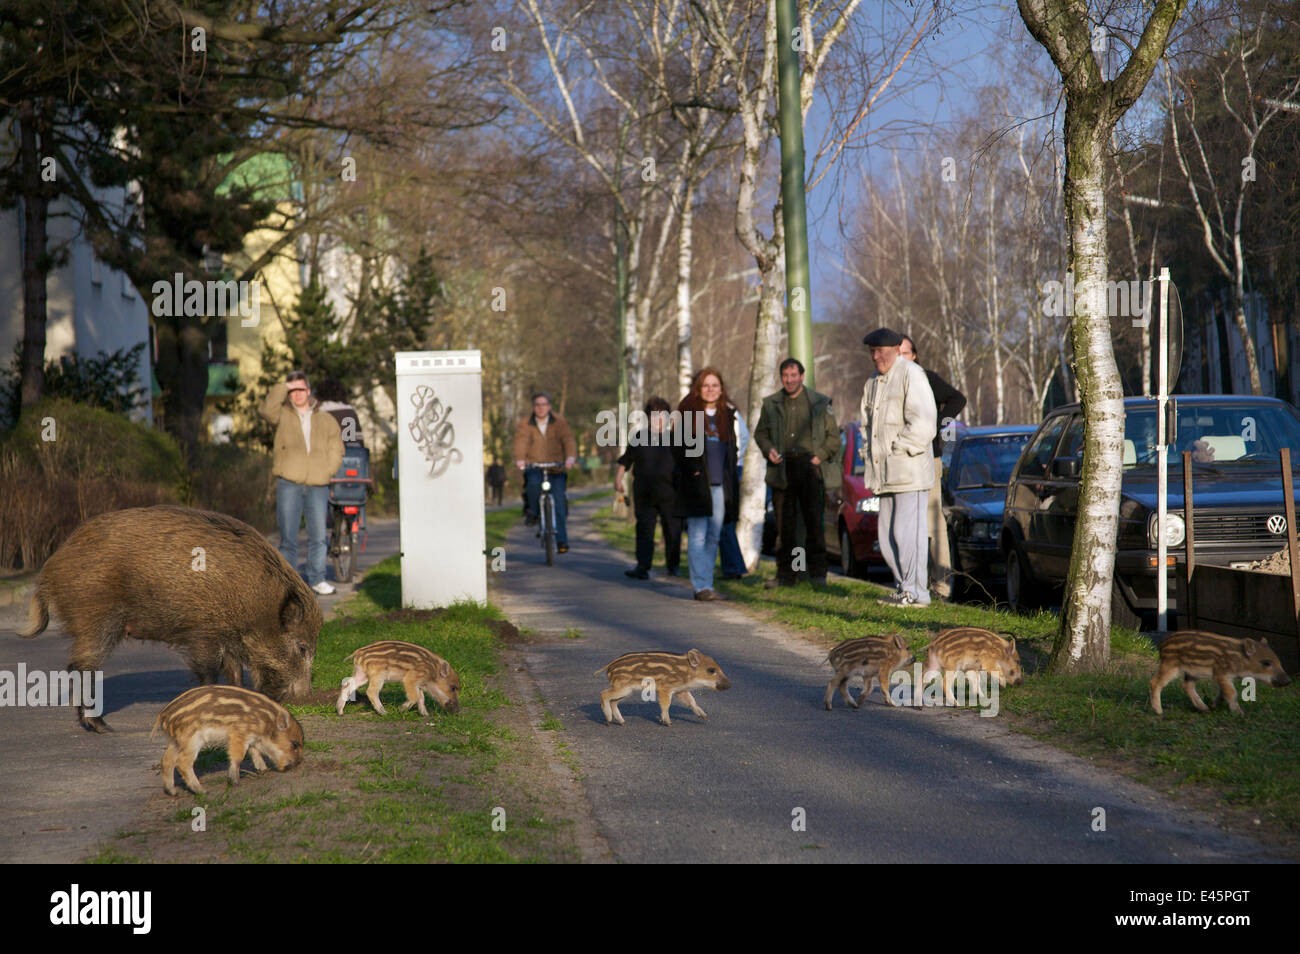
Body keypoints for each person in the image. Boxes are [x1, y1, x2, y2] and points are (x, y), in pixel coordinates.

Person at [859, 328, 937, 607]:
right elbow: (867, 428)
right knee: (888, 534)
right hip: (884, 474)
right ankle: (904, 588)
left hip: (909, 472)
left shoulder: (911, 374)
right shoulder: (873, 382)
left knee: (908, 534)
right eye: (872, 352)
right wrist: (870, 456)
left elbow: (925, 422)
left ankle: (918, 594)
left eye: (880, 351)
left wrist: (899, 450)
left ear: (895, 348)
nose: (875, 357)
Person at [754, 357, 841, 589]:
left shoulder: (819, 403)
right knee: (786, 528)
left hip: (810, 468)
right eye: (785, 376)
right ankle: (787, 576)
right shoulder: (771, 403)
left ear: (801, 376)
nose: (789, 380)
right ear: (781, 377)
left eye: (794, 375)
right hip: (782, 468)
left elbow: (834, 438)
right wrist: (769, 449)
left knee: (814, 524)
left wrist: (818, 456)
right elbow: (760, 434)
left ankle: (817, 575)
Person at [260, 371, 345, 596]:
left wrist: (329, 469)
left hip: (318, 483)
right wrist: (283, 386)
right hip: (290, 481)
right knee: (288, 536)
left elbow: (337, 445)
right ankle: (289, 583)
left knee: (318, 535)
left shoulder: (325, 418)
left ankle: (317, 579)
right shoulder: (282, 414)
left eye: (300, 389)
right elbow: (266, 412)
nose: (296, 394)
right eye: (292, 390)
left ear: (308, 391)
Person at [899, 336, 967, 600]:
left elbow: (957, 399)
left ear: (915, 355)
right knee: (905, 523)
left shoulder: (926, 378)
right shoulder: (891, 383)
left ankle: (942, 585)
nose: (901, 357)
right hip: (901, 461)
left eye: (905, 352)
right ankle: (912, 583)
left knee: (932, 521)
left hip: (929, 458)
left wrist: (936, 424)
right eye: (897, 353)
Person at [673, 368, 740, 601]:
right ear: (698, 389)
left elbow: (734, 450)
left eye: (715, 385)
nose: (710, 389)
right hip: (696, 485)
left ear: (721, 389)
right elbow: (678, 449)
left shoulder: (728, 415)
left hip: (720, 485)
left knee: (714, 535)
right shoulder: (687, 413)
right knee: (698, 536)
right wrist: (693, 470)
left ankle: (707, 584)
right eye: (706, 385)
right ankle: (700, 586)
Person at [615, 397, 682, 579]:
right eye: (654, 415)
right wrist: (618, 479)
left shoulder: (676, 439)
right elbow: (626, 460)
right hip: (644, 493)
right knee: (644, 530)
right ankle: (642, 567)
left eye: (662, 415)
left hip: (671, 493)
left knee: (673, 530)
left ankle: (673, 566)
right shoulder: (639, 437)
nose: (658, 419)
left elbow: (688, 465)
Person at [513, 392, 577, 553]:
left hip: (556, 467)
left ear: (549, 406)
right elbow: (521, 441)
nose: (540, 408)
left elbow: (568, 440)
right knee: (532, 484)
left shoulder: (559, 422)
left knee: (559, 503)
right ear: (533, 407)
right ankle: (533, 511)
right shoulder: (526, 423)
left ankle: (562, 541)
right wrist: (520, 459)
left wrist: (570, 458)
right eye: (537, 405)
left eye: (544, 404)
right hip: (535, 466)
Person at [717, 405, 750, 579]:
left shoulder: (729, 412)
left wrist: (734, 460)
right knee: (724, 521)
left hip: (728, 470)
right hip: (724, 470)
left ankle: (733, 567)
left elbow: (743, 438)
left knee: (724, 520)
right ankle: (733, 567)